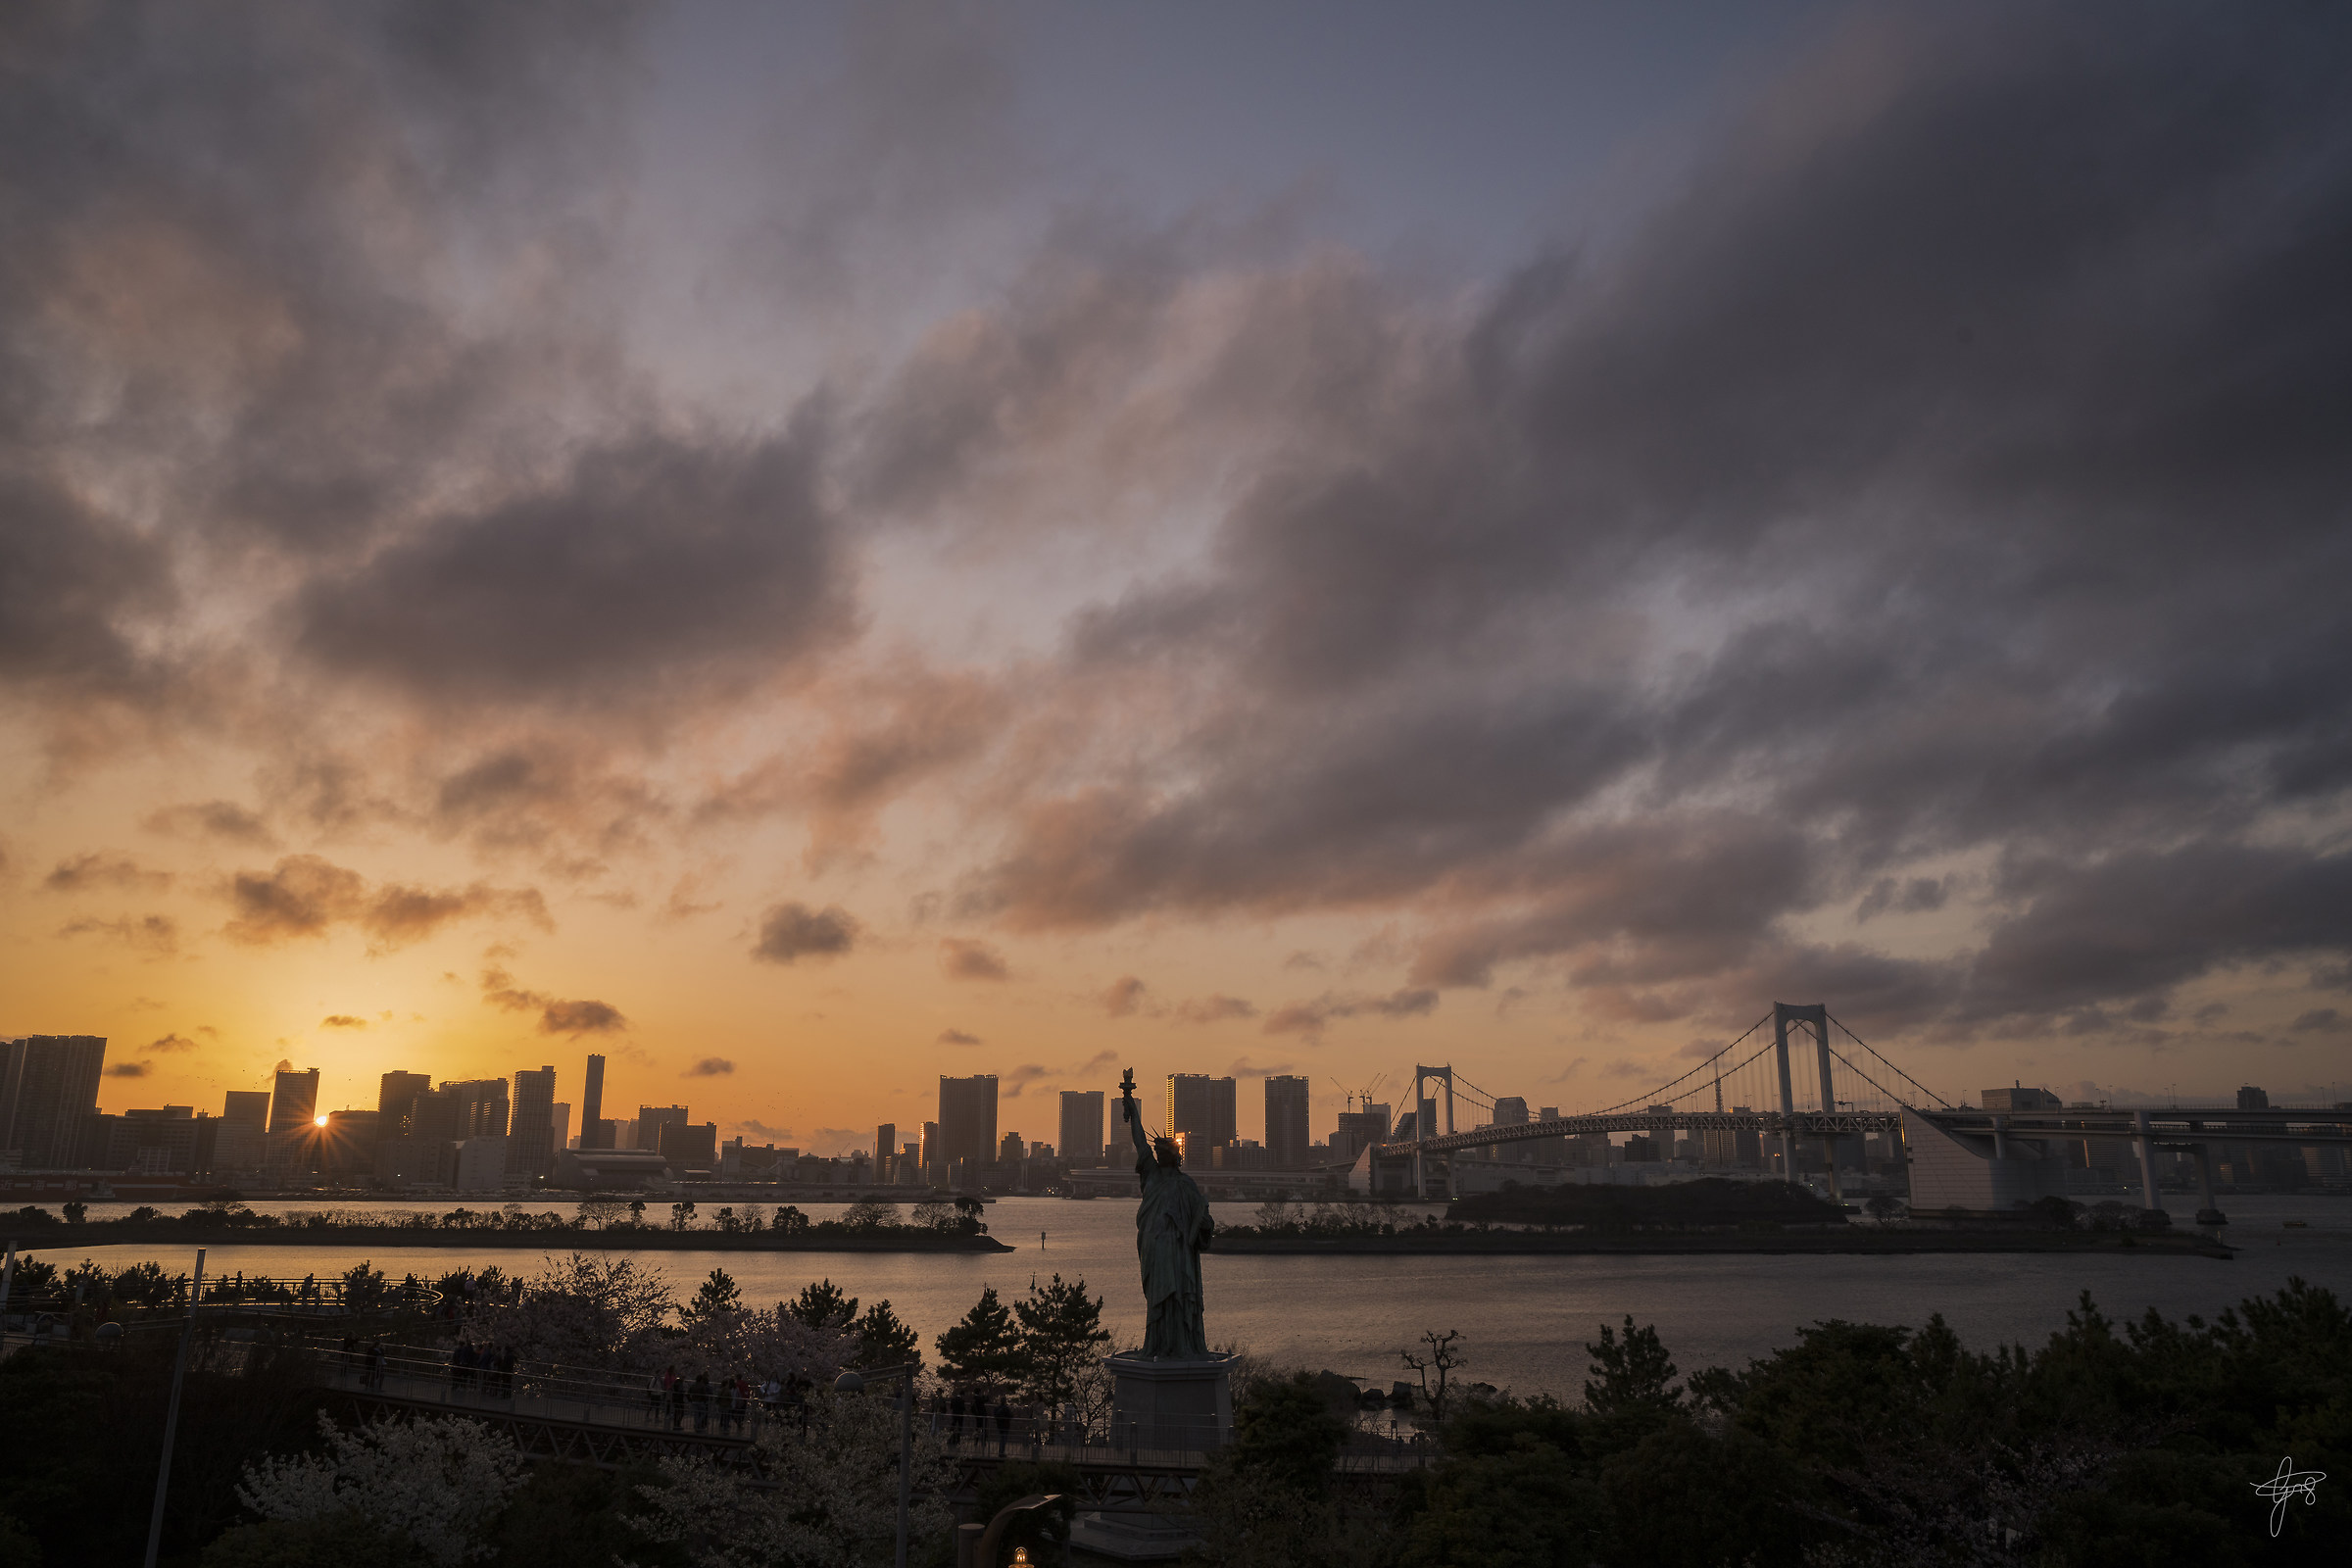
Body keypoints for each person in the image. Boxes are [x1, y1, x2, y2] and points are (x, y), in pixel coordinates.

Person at [690, 1370, 713, 1434]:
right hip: (701, 1402)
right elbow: (704, 1394)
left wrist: (690, 1400)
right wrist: (706, 1399)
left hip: (694, 1401)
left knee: (696, 1414)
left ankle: (697, 1425)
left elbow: (689, 1392)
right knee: (703, 1413)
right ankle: (698, 1424)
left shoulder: (694, 1385)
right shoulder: (703, 1386)